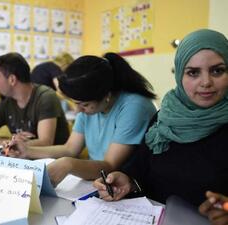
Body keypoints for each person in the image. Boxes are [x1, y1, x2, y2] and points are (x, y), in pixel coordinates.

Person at [93, 29, 228, 207]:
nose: (205, 82)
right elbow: (140, 167)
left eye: (217, 71)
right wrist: (127, 181)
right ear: (180, 75)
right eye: (193, 73)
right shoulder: (165, 117)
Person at [6, 52, 157, 186]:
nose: (78, 110)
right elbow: (70, 148)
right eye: (75, 103)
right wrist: (27, 151)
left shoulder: (134, 107)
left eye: (83, 104)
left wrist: (69, 165)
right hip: (97, 181)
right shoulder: (89, 107)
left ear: (107, 96)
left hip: (126, 186)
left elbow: (111, 165)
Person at [0, 52, 69, 164]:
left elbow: (45, 142)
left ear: (12, 79)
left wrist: (3, 148)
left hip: (53, 164)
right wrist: (10, 141)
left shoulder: (46, 96)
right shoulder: (6, 102)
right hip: (23, 162)